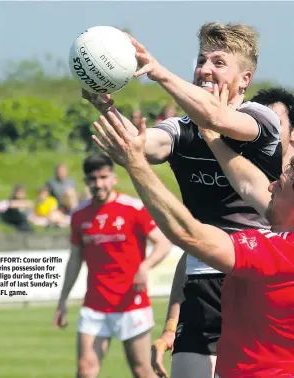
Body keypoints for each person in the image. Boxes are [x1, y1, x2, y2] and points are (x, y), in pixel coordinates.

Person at [83, 22, 282, 378]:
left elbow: (217, 117)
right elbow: (139, 148)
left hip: (255, 280)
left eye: (219, 62)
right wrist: (105, 106)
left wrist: (158, 72)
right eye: (202, 60)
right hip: (201, 280)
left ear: (244, 79)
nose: (205, 69)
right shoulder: (181, 128)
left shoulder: (260, 119)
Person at [91, 110, 294, 378]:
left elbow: (190, 234)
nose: (269, 187)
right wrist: (211, 136)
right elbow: (247, 184)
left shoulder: (279, 251)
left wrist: (136, 164)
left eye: (281, 182)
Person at [53, 153, 171, 378]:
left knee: (141, 370)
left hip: (131, 303)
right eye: (92, 179)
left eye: (103, 177)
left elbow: (163, 244)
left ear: (113, 178)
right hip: (94, 305)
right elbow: (75, 259)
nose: (98, 184)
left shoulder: (133, 208)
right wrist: (62, 300)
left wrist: (144, 267)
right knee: (85, 370)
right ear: (86, 181)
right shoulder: (79, 215)